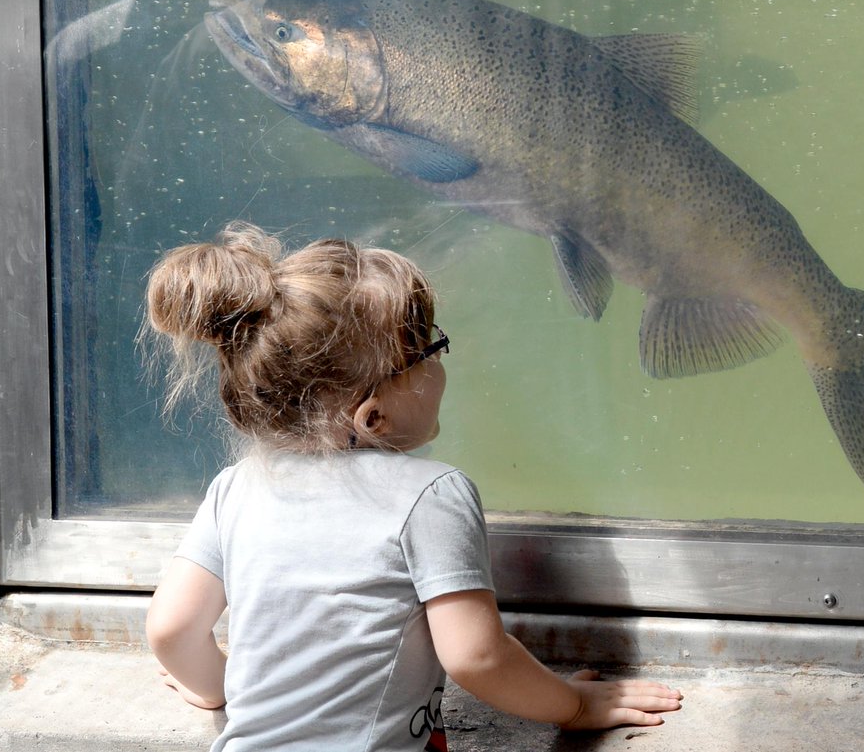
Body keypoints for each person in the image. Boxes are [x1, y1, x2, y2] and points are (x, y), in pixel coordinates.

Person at [143, 222, 683, 751]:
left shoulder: (235, 488)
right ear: (372, 414)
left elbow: (170, 629)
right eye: (430, 349)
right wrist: (574, 705)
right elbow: (477, 657)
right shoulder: (431, 494)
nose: (442, 365)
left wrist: (219, 690)